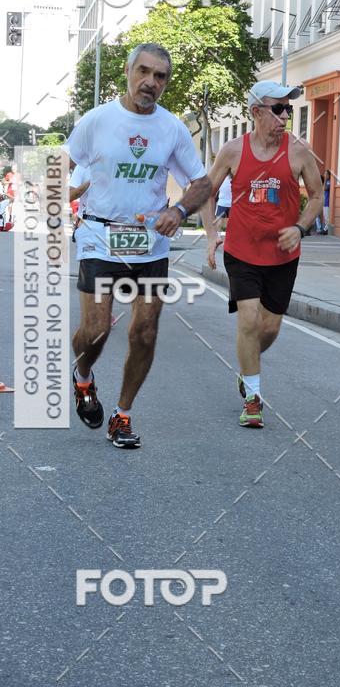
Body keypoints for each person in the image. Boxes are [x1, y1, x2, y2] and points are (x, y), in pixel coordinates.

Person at [67, 43, 212, 448]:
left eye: (160, 76)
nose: (150, 82)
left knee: (145, 333)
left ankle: (123, 415)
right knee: (95, 331)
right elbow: (58, 164)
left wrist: (181, 210)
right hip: (99, 236)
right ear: (128, 72)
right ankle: (82, 379)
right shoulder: (97, 121)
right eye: (143, 72)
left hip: (149, 244)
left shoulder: (173, 129)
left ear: (166, 82)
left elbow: (202, 182)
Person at [203, 80, 323, 428]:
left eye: (289, 109)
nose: (286, 116)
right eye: (279, 108)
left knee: (269, 328)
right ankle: (253, 398)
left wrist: (300, 228)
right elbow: (205, 193)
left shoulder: (300, 150)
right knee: (250, 320)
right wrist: (212, 235)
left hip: (283, 255)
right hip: (241, 251)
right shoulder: (232, 150)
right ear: (256, 112)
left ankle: (247, 367)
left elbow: (316, 196)